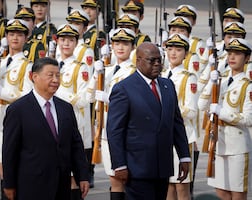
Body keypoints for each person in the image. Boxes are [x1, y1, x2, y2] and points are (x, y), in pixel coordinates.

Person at [106, 42, 191, 200]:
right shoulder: (124, 88)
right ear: (138, 61)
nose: (157, 64)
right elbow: (115, 130)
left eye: (159, 60)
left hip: (162, 165)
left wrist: (184, 156)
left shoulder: (167, 85)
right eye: (152, 60)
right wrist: (119, 164)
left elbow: (176, 123)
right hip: (137, 167)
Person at [2, 57, 90, 200]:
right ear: (34, 77)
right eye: (50, 75)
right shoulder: (18, 110)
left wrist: (82, 176)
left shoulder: (65, 108)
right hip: (31, 185)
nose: (55, 80)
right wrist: (9, 184)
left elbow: (75, 145)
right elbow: (10, 151)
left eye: (58, 75)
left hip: (61, 185)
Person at [0, 18, 34, 199]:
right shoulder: (1, 62)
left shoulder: (27, 65)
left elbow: (27, 96)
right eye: (11, 34)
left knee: (15, 164)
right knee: (2, 164)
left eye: (19, 35)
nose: (15, 38)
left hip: (16, 118)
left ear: (25, 38)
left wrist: (2, 92)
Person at [198, 38, 252, 200]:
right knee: (221, 192)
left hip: (237, 147)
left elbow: (248, 119)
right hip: (219, 144)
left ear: (247, 58)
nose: (232, 57)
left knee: (237, 193)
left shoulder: (248, 86)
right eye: (230, 53)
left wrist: (221, 112)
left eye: (238, 54)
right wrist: (211, 82)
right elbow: (201, 105)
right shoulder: (220, 81)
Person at [87, 28, 136, 200]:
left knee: (126, 178)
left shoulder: (134, 72)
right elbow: (90, 96)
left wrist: (108, 99)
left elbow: (134, 102)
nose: (120, 47)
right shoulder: (107, 70)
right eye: (116, 43)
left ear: (132, 47)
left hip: (124, 130)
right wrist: (96, 74)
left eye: (125, 43)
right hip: (106, 129)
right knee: (113, 179)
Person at [54, 23, 92, 199]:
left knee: (73, 174)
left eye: (70, 40)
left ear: (76, 43)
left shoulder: (81, 67)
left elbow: (84, 98)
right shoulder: (52, 64)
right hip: (54, 122)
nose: (66, 44)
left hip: (73, 121)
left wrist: (58, 98)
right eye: (62, 40)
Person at [162, 34, 199, 200]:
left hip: (182, 135)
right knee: (168, 186)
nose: (173, 53)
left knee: (182, 187)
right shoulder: (161, 75)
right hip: (164, 136)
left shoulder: (189, 77)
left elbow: (192, 110)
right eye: (170, 49)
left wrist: (167, 111)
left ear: (186, 53)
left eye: (178, 49)